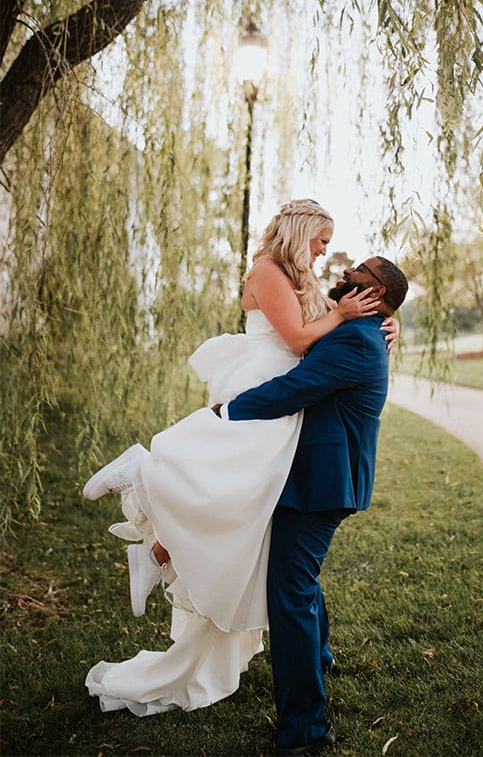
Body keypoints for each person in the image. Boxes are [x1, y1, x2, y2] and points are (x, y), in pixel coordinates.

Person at [83, 199, 399, 717]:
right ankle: (143, 474)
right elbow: (302, 340)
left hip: (290, 413)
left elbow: (324, 344)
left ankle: (159, 552)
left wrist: (385, 325)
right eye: (322, 242)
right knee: (226, 488)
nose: (331, 257)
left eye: (351, 266)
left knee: (239, 510)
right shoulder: (275, 274)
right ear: (301, 232)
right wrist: (346, 315)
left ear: (375, 293)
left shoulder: (343, 317)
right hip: (267, 385)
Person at [213, 256, 408, 755]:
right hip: (317, 478)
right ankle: (319, 656)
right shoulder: (356, 329)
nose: (348, 274)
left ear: (378, 296)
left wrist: (227, 411)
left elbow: (294, 390)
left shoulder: (354, 342)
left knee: (290, 591)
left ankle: (307, 729)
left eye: (360, 275)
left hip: (320, 484)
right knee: (299, 579)